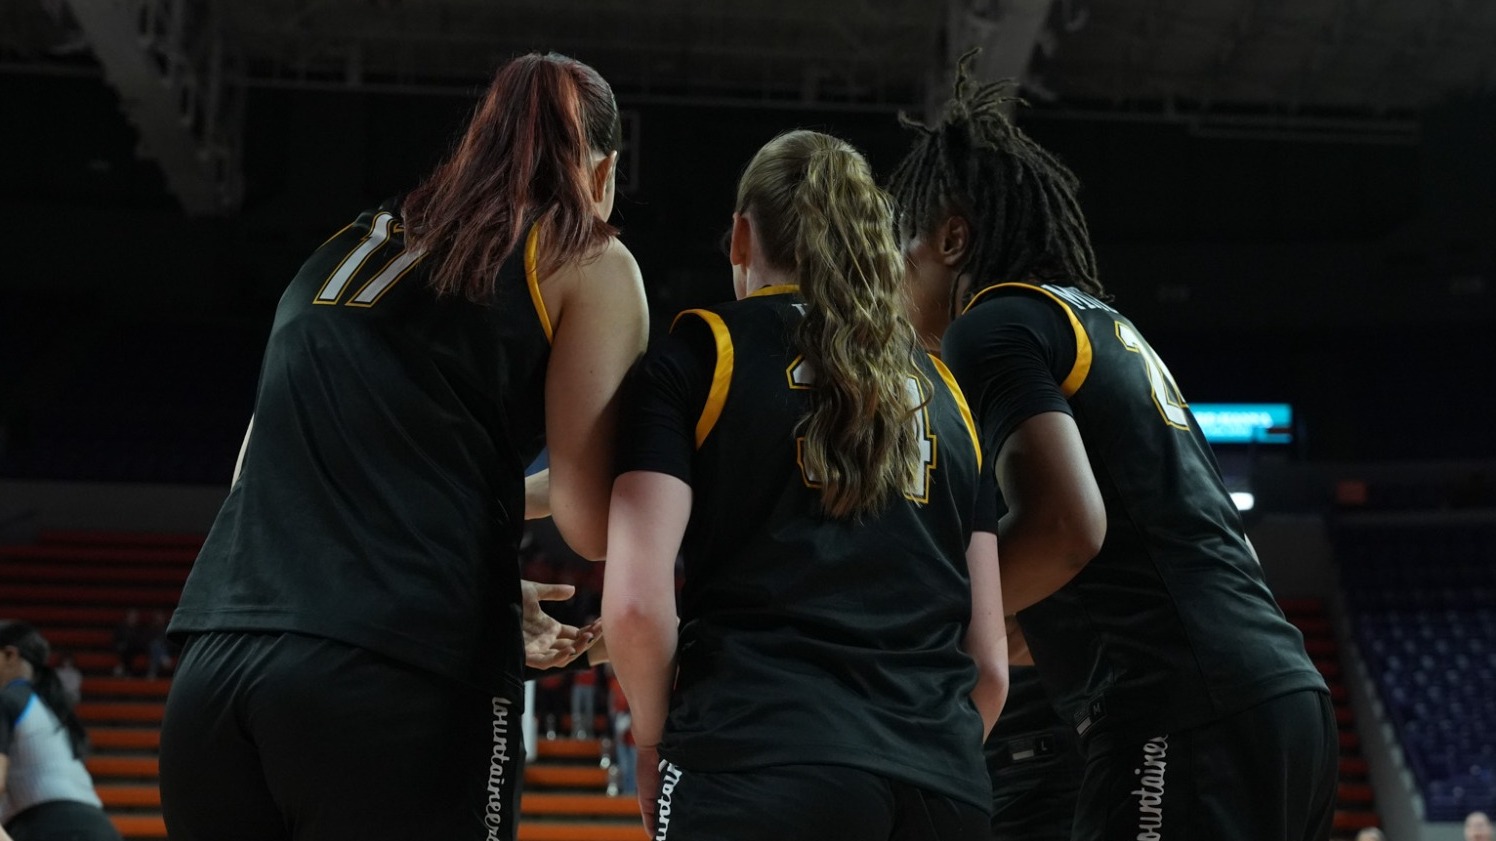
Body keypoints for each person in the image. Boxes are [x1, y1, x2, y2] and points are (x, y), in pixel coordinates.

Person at [158, 51, 648, 841]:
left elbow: (263, 470)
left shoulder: (348, 244)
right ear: (603, 170)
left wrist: (476, 574)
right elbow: (589, 519)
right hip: (387, 682)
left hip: (216, 674)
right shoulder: (582, 253)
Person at [887, 54, 1337, 841]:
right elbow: (1039, 615)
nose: (892, 279)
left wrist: (911, 618)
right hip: (1279, 697)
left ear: (953, 238)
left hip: (1180, 711)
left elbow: (1067, 529)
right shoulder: (1100, 325)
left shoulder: (990, 324)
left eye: (904, 247)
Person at [604, 129, 1008, 841]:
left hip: (760, 754)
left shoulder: (705, 353)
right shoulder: (950, 397)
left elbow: (635, 606)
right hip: (945, 784)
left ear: (739, 236)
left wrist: (654, 741)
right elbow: (991, 667)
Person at [1, 622, 122, 841]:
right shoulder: (53, 709)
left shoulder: (7, 700)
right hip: (101, 829)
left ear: (10, 655)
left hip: (49, 829)